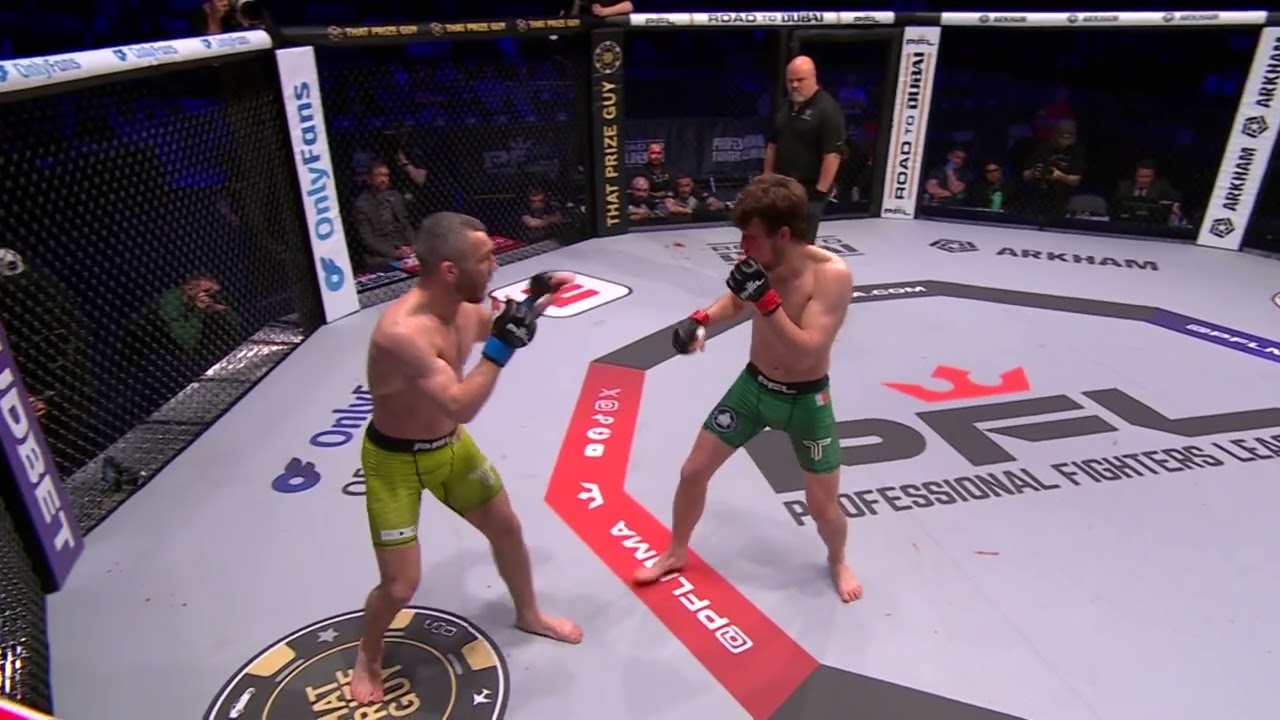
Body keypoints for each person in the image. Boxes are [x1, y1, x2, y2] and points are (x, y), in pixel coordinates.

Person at [351, 212, 583, 705]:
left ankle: (529, 614)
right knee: (400, 586)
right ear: (449, 270)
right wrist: (501, 350)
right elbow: (461, 404)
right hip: (395, 462)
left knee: (507, 528)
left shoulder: (461, 307)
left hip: (450, 448)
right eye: (486, 258)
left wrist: (535, 297)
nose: (495, 265)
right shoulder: (401, 333)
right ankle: (368, 655)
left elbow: (501, 323)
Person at [633, 174, 862, 603]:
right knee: (693, 472)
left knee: (822, 507)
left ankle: (837, 559)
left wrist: (767, 303)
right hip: (754, 388)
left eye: (751, 237)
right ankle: (676, 552)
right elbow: (737, 300)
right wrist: (701, 319)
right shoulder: (761, 262)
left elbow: (807, 353)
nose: (743, 247)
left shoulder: (831, 276)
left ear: (784, 234)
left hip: (806, 400)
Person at [764, 55, 847, 244]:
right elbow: (772, 145)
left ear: (813, 77)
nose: (794, 85)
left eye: (800, 80)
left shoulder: (828, 109)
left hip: (808, 189)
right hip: (781, 185)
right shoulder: (784, 106)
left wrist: (819, 193)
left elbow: (833, 155)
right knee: (775, 235)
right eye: (790, 80)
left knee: (801, 241)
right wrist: (767, 179)